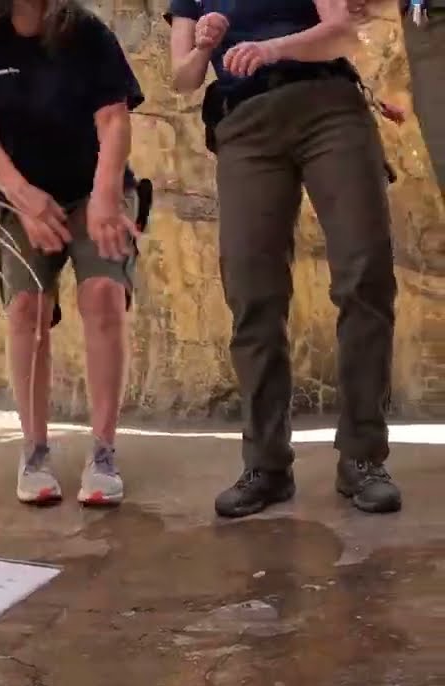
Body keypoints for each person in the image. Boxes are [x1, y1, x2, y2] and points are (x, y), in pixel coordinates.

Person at [166, 0, 402, 518]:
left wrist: (272, 49)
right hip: (245, 125)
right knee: (252, 292)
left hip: (328, 107)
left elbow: (341, 34)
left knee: (365, 275)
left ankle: (363, 458)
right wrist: (206, 45)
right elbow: (182, 78)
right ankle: (266, 464)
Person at [0, 0, 144, 507]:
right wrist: (23, 195)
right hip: (26, 195)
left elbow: (114, 120)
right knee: (27, 309)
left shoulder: (86, 33)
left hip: (93, 187)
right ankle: (34, 451)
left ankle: (103, 452)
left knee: (103, 294)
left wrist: (106, 197)